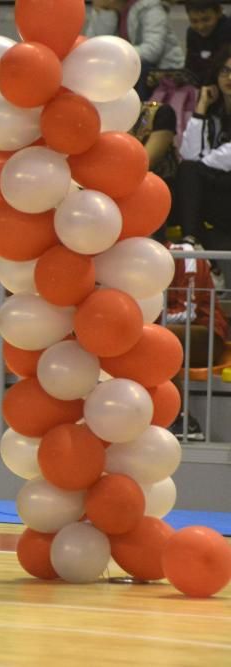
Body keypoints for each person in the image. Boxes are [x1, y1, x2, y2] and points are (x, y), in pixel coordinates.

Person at [165, 241, 228, 441]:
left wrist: (144, 320)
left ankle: (183, 419)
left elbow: (189, 312)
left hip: (206, 335)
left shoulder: (184, 254)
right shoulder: (125, 260)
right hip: (167, 331)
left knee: (157, 339)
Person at [173, 45, 231, 249]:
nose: (229, 78)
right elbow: (189, 155)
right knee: (187, 170)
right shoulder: (214, 113)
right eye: (225, 71)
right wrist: (201, 107)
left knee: (193, 170)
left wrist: (203, 164)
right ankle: (191, 241)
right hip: (214, 185)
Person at [84, 0, 184, 99]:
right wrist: (106, 13)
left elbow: (152, 51)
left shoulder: (149, 7)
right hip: (129, 65)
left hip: (162, 70)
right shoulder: (106, 9)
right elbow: (94, 47)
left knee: (138, 67)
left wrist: (117, 55)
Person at [185, 0, 231, 85]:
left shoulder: (228, 30)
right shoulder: (192, 33)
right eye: (194, 21)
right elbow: (190, 68)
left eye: (206, 19)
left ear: (219, 12)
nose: (201, 26)